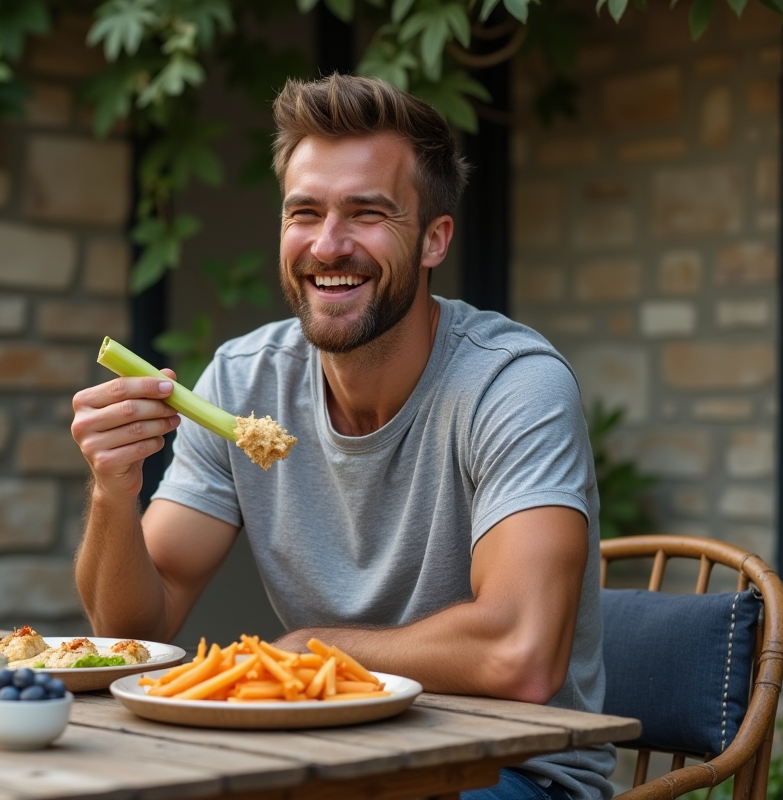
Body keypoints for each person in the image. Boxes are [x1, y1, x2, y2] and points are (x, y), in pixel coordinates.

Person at [70, 74, 612, 800]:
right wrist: (113, 488)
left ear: (433, 239)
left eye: (367, 213)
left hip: (506, 774)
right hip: (323, 757)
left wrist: (308, 652)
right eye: (305, 212)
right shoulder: (242, 381)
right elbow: (132, 624)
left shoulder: (512, 385)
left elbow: (522, 656)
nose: (329, 245)